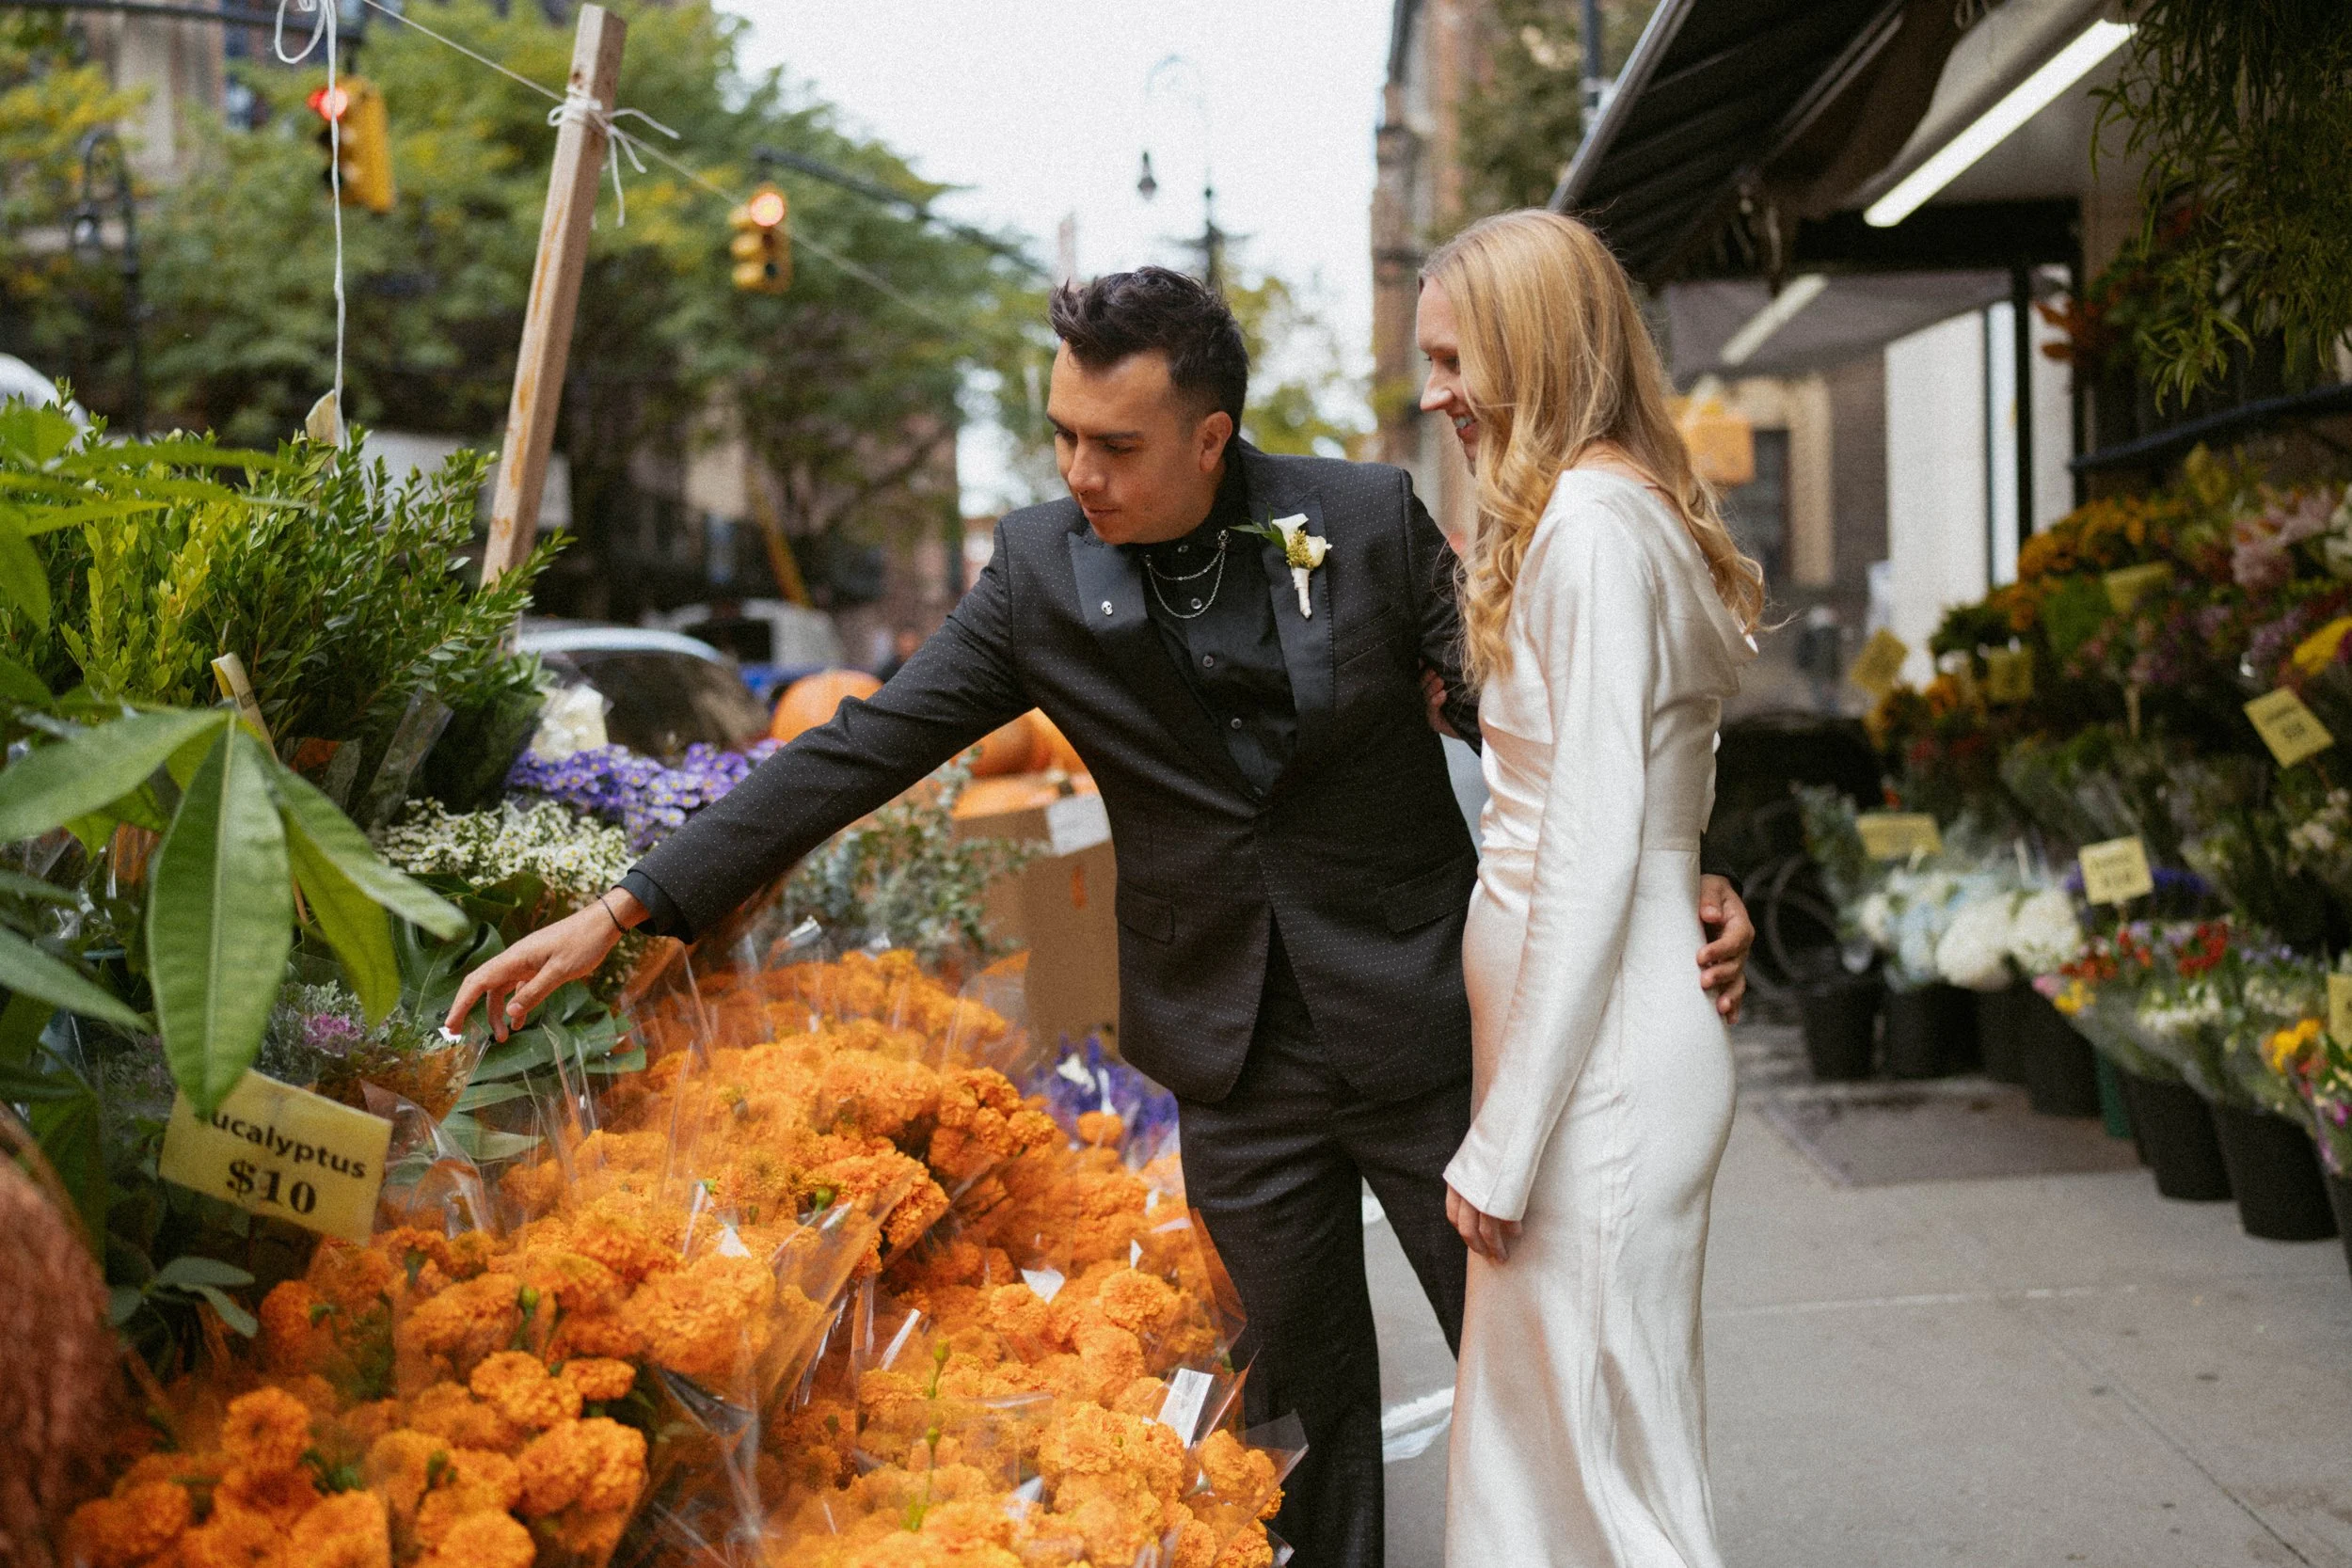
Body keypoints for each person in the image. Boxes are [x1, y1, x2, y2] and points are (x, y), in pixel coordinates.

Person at [447, 266, 1756, 1568]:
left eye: (1115, 444)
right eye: (1062, 434)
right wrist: (630, 905)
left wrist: (1682, 865)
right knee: (1302, 1417)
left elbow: (1551, 723)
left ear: (1210, 437)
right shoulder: (1036, 574)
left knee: (1537, 1384)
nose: (1080, 470)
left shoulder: (1361, 516)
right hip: (1232, 1059)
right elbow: (859, 749)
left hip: (1422, 1023)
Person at [1418, 211, 1761, 1568]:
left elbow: (1598, 831)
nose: (1436, 391)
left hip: (1597, 1073)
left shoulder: (1592, 529)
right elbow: (1639, 799)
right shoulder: (1597, 515)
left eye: (1456, 357)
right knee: (1552, 1452)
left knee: (1605, 1473)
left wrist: (1505, 1136)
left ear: (1536, 347)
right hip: (1586, 1052)